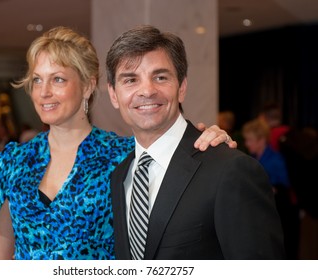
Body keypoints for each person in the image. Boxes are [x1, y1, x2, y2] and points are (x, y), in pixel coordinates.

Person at [0, 26, 236, 260]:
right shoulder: (13, 161)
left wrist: (208, 139)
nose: (44, 91)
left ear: (88, 85)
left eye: (58, 79)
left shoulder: (125, 156)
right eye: (37, 79)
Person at [107, 25, 285, 260]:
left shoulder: (230, 169)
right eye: (130, 80)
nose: (147, 91)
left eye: (160, 77)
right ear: (113, 95)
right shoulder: (120, 175)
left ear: (181, 88)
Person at [242, 118, 299, 259]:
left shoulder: (276, 160)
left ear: (261, 140)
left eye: (249, 140)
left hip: (281, 215)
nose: (246, 143)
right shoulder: (252, 159)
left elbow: (284, 187)